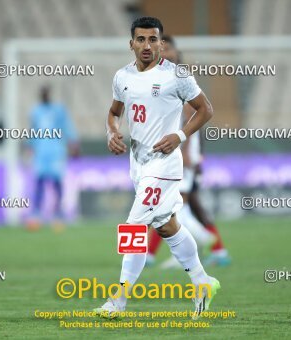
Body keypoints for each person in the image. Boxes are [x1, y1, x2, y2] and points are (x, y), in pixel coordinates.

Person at [94, 17, 220, 320]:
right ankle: (203, 283)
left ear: (161, 43)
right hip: (138, 164)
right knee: (166, 225)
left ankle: (118, 302)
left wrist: (179, 135)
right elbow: (114, 113)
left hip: (164, 165)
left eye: (154, 40)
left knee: (134, 226)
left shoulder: (176, 75)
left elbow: (206, 109)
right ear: (131, 44)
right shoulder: (121, 77)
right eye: (141, 40)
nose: (147, 46)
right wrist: (112, 132)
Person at [146, 35, 231, 268]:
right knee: (179, 206)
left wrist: (191, 154)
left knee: (172, 206)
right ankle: (213, 249)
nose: (163, 52)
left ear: (175, 52)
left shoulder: (181, 78)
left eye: (167, 48)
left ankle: (204, 243)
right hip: (172, 154)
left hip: (182, 156)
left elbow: (197, 117)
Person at [26, 86, 79, 231]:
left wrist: (73, 143)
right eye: (42, 93)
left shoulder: (59, 110)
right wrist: (29, 147)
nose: (44, 95)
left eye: (46, 93)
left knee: (56, 185)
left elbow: (67, 127)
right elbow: (32, 130)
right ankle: (35, 216)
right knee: (39, 184)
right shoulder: (35, 111)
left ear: (49, 94)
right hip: (40, 152)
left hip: (56, 151)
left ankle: (58, 216)